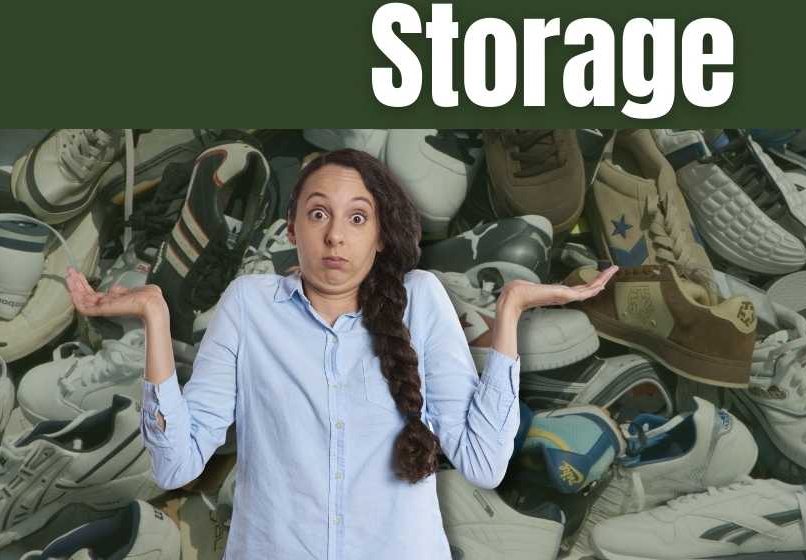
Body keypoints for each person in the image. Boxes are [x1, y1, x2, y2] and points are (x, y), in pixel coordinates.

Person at [66, 148, 618, 558]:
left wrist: (510, 314)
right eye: (318, 214)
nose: (336, 236)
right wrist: (156, 319)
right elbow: (175, 464)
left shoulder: (421, 299)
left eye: (357, 218)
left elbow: (482, 462)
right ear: (292, 229)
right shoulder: (249, 307)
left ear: (379, 236)